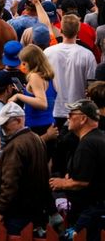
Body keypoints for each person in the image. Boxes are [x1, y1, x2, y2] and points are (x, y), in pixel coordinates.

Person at [0, 101, 52, 234]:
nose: (3, 129)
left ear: (18, 120)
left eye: (6, 124)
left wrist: (1, 211)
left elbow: (10, 182)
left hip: (16, 213)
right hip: (34, 210)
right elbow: (45, 174)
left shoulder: (15, 146)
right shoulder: (36, 139)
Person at [50, 99, 105, 240]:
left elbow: (82, 182)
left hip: (92, 209)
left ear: (83, 119)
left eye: (71, 114)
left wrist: (61, 183)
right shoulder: (99, 137)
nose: (68, 117)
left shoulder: (88, 143)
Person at [44, 15, 97, 124]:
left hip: (54, 109)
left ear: (61, 30)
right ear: (78, 31)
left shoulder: (48, 52)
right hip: (78, 110)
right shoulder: (87, 55)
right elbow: (92, 85)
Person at [9, 44, 56, 135]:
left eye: (24, 63)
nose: (22, 66)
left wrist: (19, 96)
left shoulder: (34, 76)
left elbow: (42, 103)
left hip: (36, 127)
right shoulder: (48, 76)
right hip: (48, 123)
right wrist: (25, 92)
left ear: (31, 62)